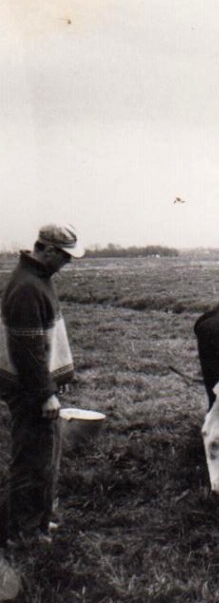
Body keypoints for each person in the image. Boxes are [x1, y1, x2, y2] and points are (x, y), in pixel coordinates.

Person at [0, 224, 84, 577]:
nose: (66, 263)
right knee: (31, 460)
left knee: (44, 455)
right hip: (29, 390)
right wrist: (45, 393)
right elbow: (28, 350)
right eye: (63, 256)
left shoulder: (37, 278)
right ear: (46, 250)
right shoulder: (26, 287)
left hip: (34, 387)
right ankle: (20, 533)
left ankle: (37, 522)